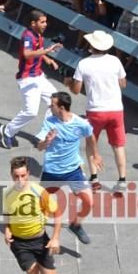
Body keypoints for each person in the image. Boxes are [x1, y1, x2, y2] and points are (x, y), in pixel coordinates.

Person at [35, 92, 101, 245]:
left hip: (73, 172)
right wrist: (46, 141)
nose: (50, 107)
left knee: (89, 202)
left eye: (52, 105)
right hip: (52, 172)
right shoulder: (49, 122)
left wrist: (96, 154)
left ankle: (75, 225)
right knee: (40, 205)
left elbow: (90, 136)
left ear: (61, 108)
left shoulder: (81, 123)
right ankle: (36, 231)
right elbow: (39, 147)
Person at [67, 31, 128, 193]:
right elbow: (123, 84)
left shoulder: (84, 64)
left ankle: (94, 177)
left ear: (92, 45)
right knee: (118, 145)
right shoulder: (115, 61)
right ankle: (122, 180)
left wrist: (69, 83)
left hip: (95, 110)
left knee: (90, 144)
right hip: (116, 109)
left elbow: (76, 90)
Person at [2, 156, 61, 274]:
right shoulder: (7, 194)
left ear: (28, 173)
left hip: (40, 240)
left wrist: (55, 238)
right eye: (16, 176)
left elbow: (57, 213)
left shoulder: (38, 191)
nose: (20, 180)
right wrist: (6, 230)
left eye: (23, 175)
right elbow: (6, 214)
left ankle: (43, 263)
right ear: (11, 175)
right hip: (19, 243)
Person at [0, 11, 61, 149]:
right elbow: (27, 54)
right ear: (33, 23)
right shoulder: (27, 36)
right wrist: (47, 51)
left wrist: (48, 59)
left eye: (46, 22)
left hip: (38, 76)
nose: (45, 24)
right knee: (31, 112)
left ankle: (42, 135)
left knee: (56, 103)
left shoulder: (38, 34)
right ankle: (8, 131)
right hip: (27, 79)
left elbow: (38, 49)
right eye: (42, 22)